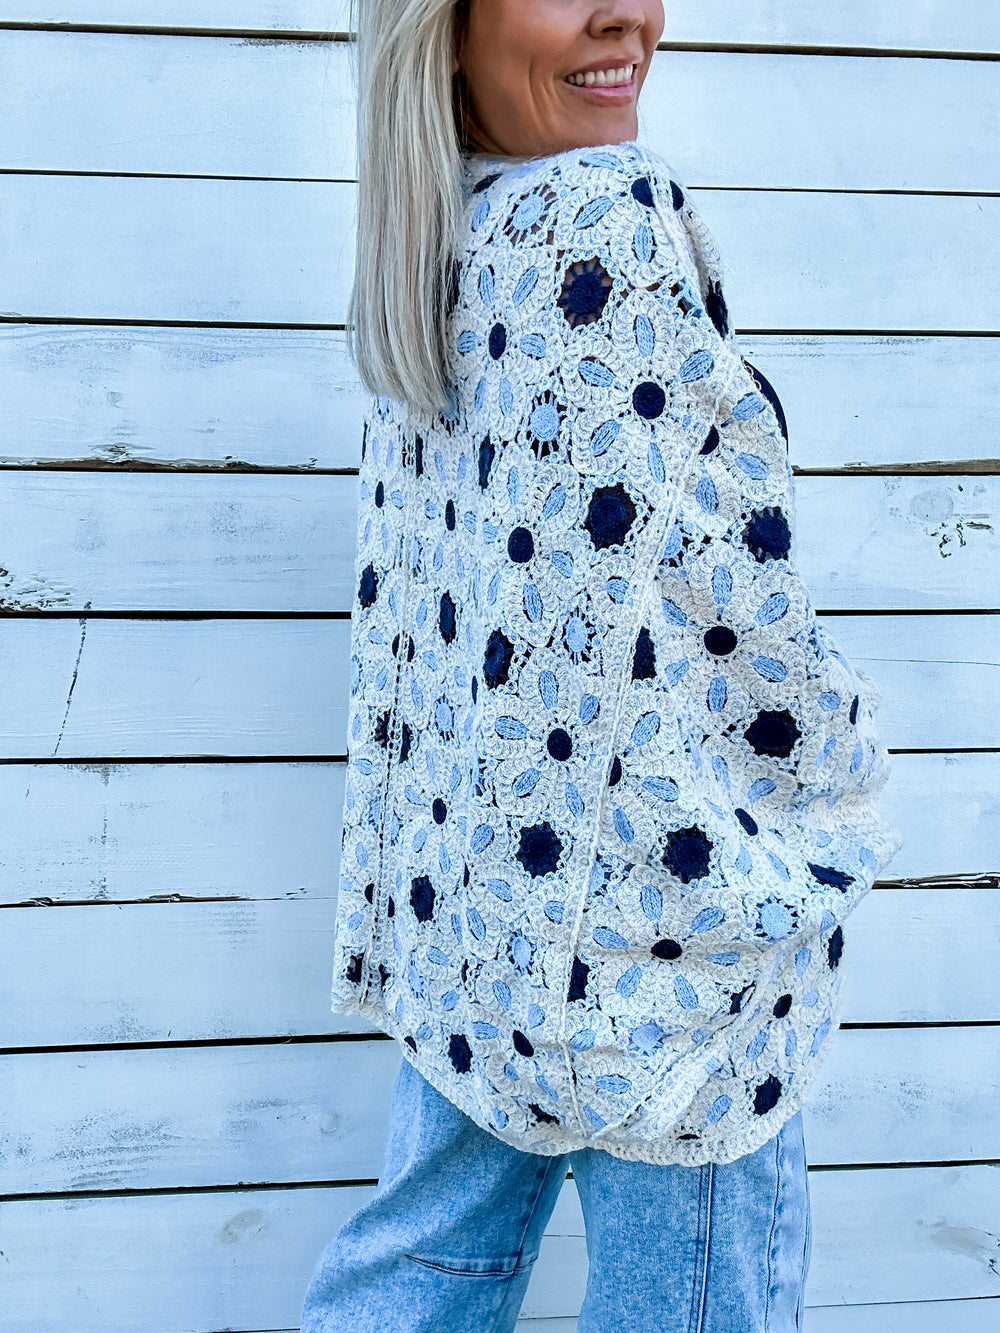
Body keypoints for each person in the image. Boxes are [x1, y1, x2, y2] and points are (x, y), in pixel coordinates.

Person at [300, 2, 903, 1329]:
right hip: (659, 960)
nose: (626, 11)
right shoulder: (604, 223)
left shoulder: (436, 239)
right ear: (442, 26)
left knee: (413, 1278)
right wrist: (840, 779)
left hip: (480, 932)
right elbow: (738, 605)